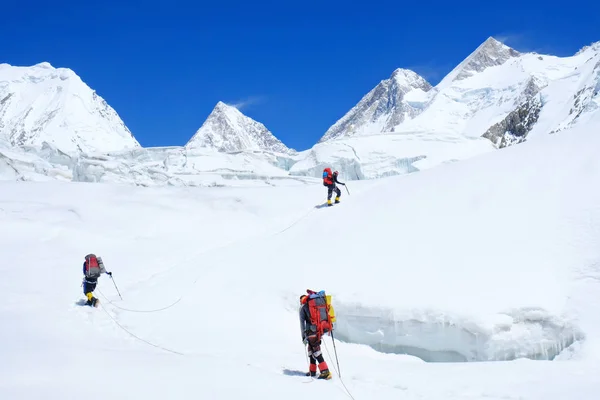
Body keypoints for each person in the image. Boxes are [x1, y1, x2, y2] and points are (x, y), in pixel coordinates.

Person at [299, 294, 332, 379]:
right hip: (319, 329)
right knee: (311, 350)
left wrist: (303, 337)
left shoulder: (303, 308)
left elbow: (302, 324)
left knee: (316, 350)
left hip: (310, 331)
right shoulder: (314, 305)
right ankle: (312, 371)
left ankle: (325, 371)